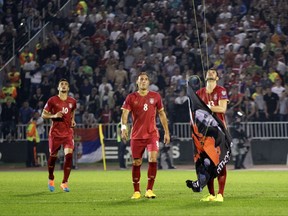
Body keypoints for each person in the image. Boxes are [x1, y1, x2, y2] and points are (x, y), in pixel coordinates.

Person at [121, 72, 170, 199]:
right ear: (137, 82)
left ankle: (149, 190)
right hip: (137, 136)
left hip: (152, 134)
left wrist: (166, 132)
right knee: (137, 162)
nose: (143, 81)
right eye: (141, 79)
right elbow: (125, 114)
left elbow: (162, 114)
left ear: (149, 82)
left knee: (153, 159)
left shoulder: (156, 96)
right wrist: (123, 127)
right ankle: (136, 191)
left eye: (146, 79)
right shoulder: (131, 97)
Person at [195, 69, 229, 202]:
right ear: (205, 77)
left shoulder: (221, 90)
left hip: (219, 131)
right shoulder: (199, 93)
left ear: (217, 77)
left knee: (220, 162)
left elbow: (222, 109)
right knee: (207, 163)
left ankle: (220, 194)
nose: (210, 73)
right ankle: (211, 194)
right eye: (209, 72)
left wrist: (207, 107)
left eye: (213, 72)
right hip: (204, 133)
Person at [42, 78, 77, 192]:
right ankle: (51, 177)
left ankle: (64, 182)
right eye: (61, 84)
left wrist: (72, 120)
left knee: (69, 156)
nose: (64, 85)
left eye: (66, 84)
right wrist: (54, 115)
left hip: (67, 133)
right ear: (58, 87)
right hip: (55, 133)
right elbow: (43, 114)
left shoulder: (72, 101)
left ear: (68, 88)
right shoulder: (52, 100)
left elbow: (72, 111)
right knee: (53, 158)